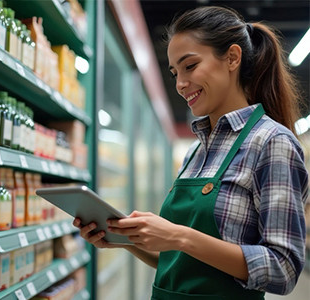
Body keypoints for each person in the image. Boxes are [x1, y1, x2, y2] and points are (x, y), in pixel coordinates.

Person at [74, 6, 308, 299]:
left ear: (233, 58)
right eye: (174, 72)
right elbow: (182, 263)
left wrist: (179, 236)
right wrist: (126, 240)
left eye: (190, 66)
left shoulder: (272, 143)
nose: (180, 84)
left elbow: (283, 270)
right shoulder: (196, 152)